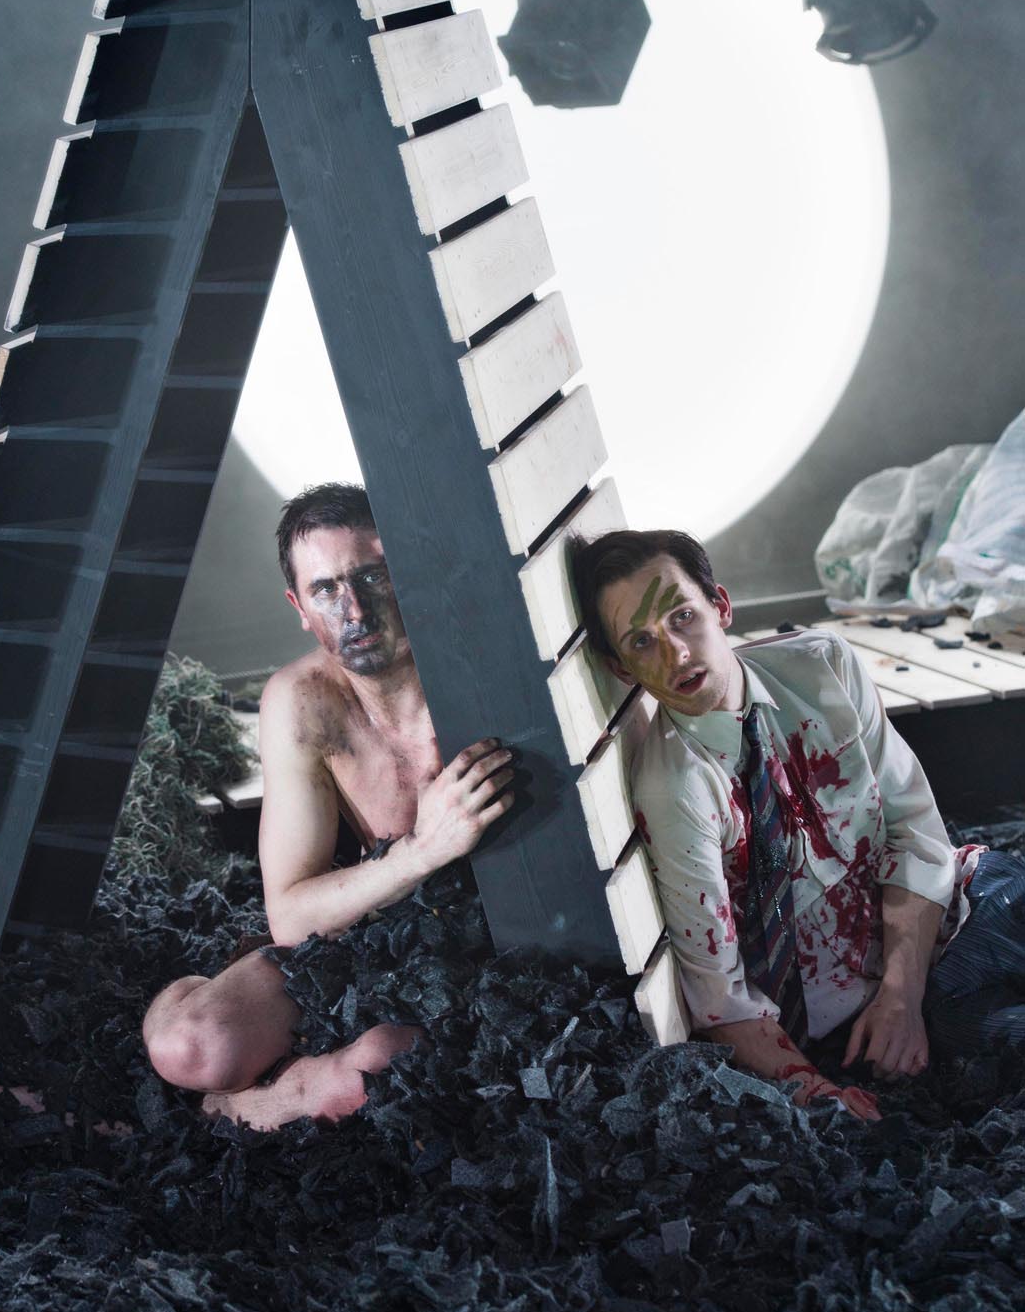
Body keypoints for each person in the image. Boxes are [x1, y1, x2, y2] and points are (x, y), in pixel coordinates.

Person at [572, 528, 1023, 1123]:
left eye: (683, 616)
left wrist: (901, 993)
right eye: (642, 641)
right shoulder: (677, 790)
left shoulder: (823, 667)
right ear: (621, 669)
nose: (676, 653)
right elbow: (720, 996)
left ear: (721, 606)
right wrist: (822, 1092)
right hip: (897, 1012)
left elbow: (914, 829)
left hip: (962, 904)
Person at [143, 483, 514, 1130]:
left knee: (382, 1069)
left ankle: (240, 1108)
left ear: (407, 576)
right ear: (299, 607)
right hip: (364, 926)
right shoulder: (303, 701)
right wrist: (422, 852)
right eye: (326, 589)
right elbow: (290, 916)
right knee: (188, 1044)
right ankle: (241, 1087)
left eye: (372, 576)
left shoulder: (482, 668)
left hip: (483, 951)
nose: (355, 611)